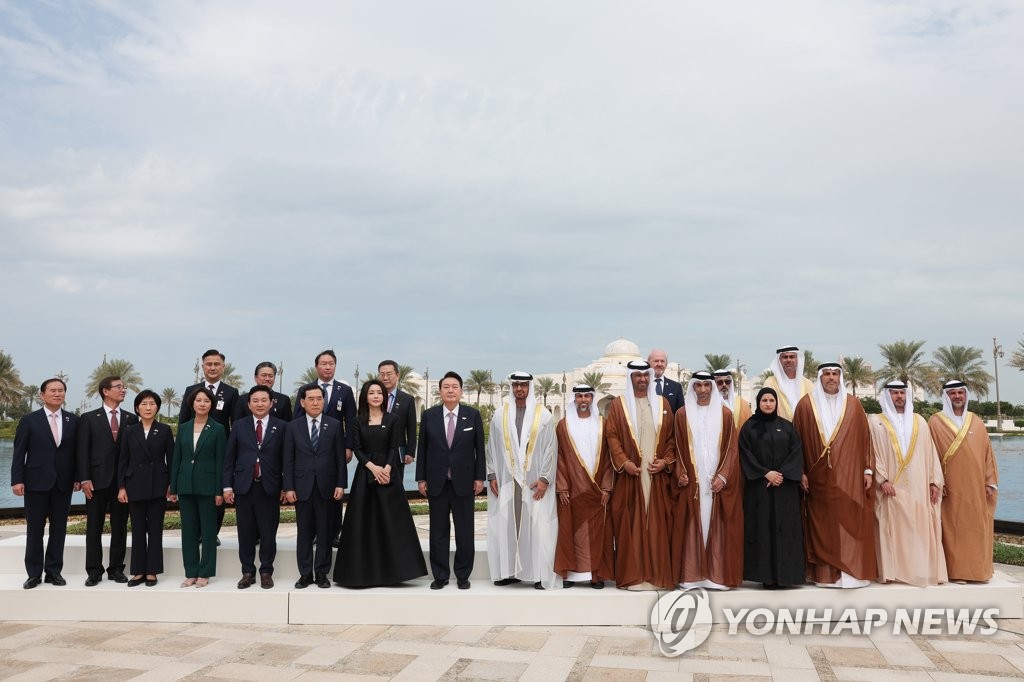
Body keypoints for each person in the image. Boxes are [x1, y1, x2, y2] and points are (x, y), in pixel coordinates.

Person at [334, 380, 427, 587]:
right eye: (371, 393)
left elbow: (394, 446)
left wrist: (386, 468)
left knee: (392, 523)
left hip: (388, 475)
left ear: (384, 397)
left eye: (379, 393)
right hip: (365, 476)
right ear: (365, 397)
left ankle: (395, 573)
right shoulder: (357, 421)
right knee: (362, 523)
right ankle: (361, 573)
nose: (376, 396)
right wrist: (373, 467)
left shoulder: (393, 419)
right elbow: (357, 449)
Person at [792, 363, 877, 588]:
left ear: (841, 377)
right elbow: (796, 443)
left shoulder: (854, 405)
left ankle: (851, 573)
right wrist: (800, 472)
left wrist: (868, 470)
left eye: (835, 374)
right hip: (817, 478)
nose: (831, 378)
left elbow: (866, 439)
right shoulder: (805, 405)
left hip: (849, 476)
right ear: (820, 377)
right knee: (823, 524)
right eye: (827, 374)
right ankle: (825, 575)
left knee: (850, 521)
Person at [605, 360, 676, 590]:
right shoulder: (619, 405)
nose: (642, 380)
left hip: (656, 476)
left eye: (645, 376)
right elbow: (612, 436)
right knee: (631, 523)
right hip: (630, 476)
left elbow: (672, 439)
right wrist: (624, 462)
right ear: (631, 378)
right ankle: (634, 576)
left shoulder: (662, 403)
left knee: (657, 523)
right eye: (637, 376)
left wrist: (665, 461)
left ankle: (655, 575)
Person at [486, 372, 559, 590]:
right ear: (512, 387)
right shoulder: (500, 415)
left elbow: (551, 449)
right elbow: (491, 447)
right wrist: (491, 475)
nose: (519, 389)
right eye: (516, 385)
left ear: (529, 387)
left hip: (534, 482)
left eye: (523, 385)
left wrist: (545, 478)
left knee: (537, 526)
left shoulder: (543, 415)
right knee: (507, 524)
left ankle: (537, 573)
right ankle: (508, 572)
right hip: (507, 480)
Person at [869, 380, 946, 586]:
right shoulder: (876, 421)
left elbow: (931, 453)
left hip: (919, 486)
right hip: (890, 487)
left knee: (918, 527)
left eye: (902, 393)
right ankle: (892, 572)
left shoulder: (920, 421)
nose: (899, 397)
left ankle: (919, 571)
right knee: (890, 528)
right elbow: (871, 453)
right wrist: (881, 479)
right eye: (894, 393)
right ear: (887, 396)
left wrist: (934, 482)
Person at [416, 371, 485, 590]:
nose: (450, 390)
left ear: (461, 391)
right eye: (446, 387)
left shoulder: (472, 415)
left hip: (464, 483)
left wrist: (479, 477)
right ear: (440, 391)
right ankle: (440, 575)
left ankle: (463, 575)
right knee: (438, 531)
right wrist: (421, 478)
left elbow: (479, 450)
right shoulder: (429, 416)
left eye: (455, 387)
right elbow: (423, 449)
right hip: (437, 482)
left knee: (465, 531)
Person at [673, 371, 742, 590]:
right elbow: (676, 447)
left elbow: (732, 448)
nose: (703, 390)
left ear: (712, 388)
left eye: (706, 385)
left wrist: (723, 475)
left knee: (717, 523)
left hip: (716, 480)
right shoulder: (682, 414)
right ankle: (691, 576)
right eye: (698, 385)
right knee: (692, 524)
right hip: (693, 481)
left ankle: (716, 576)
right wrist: (680, 472)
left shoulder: (726, 414)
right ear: (692, 388)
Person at [10, 378, 80, 589]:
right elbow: (19, 452)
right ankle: (33, 573)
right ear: (42, 395)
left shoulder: (73, 420)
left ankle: (53, 572)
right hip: (35, 483)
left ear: (64, 394)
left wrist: (77, 477)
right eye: (52, 391)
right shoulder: (29, 420)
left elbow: (77, 454)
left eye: (60, 390)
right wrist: (17, 480)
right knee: (35, 530)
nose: (57, 394)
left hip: (63, 484)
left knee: (59, 530)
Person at [928, 380, 999, 582]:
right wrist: (936, 482)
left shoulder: (975, 421)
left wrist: (990, 482)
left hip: (977, 489)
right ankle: (955, 572)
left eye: (961, 392)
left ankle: (978, 571)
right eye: (953, 393)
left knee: (977, 529)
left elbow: (988, 454)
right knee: (952, 530)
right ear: (946, 397)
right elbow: (930, 455)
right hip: (950, 488)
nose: (957, 396)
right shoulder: (935, 422)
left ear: (966, 395)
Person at [738, 387, 805, 589]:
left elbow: (796, 452)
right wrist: (765, 473)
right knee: (762, 530)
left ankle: (787, 576)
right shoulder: (749, 427)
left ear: (776, 403)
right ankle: (766, 576)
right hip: (760, 489)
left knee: (786, 530)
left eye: (771, 400)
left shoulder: (786, 426)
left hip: (785, 489)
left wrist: (781, 474)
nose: (768, 404)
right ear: (758, 403)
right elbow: (745, 454)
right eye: (764, 400)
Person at [223, 385, 287, 589]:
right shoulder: (239, 426)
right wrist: (226, 487)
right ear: (249, 404)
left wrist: (286, 486)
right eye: (255, 401)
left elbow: (287, 460)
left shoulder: (282, 426)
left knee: (269, 532)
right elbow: (229, 459)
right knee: (246, 532)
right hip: (244, 487)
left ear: (271, 403)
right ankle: (247, 571)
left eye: (264, 400)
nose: (260, 404)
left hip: (270, 487)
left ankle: (266, 571)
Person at [283, 384, 347, 589]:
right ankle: (305, 574)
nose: (315, 402)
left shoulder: (335, 425)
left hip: (327, 487)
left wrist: (341, 484)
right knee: (304, 533)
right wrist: (289, 487)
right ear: (302, 402)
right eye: (310, 399)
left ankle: (321, 573)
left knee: (325, 532)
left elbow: (339, 458)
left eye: (319, 398)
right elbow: (288, 460)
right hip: (301, 487)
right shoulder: (293, 426)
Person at [76, 376, 138, 586]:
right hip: (95, 482)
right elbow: (82, 451)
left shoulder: (131, 419)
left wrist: (128, 482)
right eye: (119, 387)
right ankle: (94, 571)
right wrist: (84, 478)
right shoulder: (88, 418)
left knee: (119, 527)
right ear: (105, 391)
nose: (123, 390)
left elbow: (133, 453)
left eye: (124, 387)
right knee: (94, 527)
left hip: (121, 484)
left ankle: (116, 569)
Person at [295, 349, 356, 547]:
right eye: (324, 363)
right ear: (316, 367)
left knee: (333, 494)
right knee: (309, 494)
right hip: (308, 450)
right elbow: (296, 419)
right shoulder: (306, 389)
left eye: (331, 363)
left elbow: (351, 420)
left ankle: (334, 533)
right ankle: (312, 533)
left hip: (334, 450)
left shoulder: (344, 391)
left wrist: (349, 447)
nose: (328, 367)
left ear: (335, 366)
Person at [554, 385, 613, 589]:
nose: (583, 400)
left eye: (587, 396)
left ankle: (596, 575)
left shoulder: (602, 424)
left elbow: (607, 459)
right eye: (579, 396)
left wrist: (606, 487)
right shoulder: (564, 425)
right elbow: (559, 457)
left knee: (598, 534)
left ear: (592, 398)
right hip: (572, 489)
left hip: (596, 490)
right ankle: (571, 574)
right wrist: (562, 487)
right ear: (574, 399)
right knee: (571, 531)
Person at [179, 348, 238, 544]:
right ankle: (195, 532)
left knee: (218, 491)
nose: (212, 368)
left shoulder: (231, 392)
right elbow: (183, 423)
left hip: (220, 451)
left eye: (216, 364)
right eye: (209, 364)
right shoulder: (191, 390)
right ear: (202, 366)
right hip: (195, 451)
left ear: (223, 367)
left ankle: (212, 532)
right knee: (195, 492)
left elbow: (235, 424)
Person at [170, 386, 227, 588]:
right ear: (192, 403)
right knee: (189, 531)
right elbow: (177, 458)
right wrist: (173, 486)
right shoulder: (184, 427)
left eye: (206, 401)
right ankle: (191, 572)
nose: (202, 404)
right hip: (186, 485)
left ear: (211, 405)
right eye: (198, 401)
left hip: (208, 487)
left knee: (209, 532)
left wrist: (220, 490)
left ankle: (205, 572)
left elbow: (221, 462)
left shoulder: (218, 429)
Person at [117, 390, 174, 587]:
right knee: (138, 529)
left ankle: (152, 571)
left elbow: (172, 460)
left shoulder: (165, 430)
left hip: (158, 485)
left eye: (152, 404)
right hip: (134, 485)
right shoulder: (129, 431)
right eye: (144, 404)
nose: (148, 408)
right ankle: (138, 571)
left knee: (155, 529)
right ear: (137, 408)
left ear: (157, 407)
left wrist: (171, 486)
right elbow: (123, 460)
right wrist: (121, 486)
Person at [378, 360, 418, 474]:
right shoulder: (372, 397)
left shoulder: (407, 399)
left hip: (397, 452)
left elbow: (411, 427)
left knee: (396, 485)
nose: (385, 378)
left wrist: (410, 452)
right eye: (382, 374)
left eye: (389, 374)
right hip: (374, 451)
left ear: (397, 375)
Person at [762, 346, 814, 421]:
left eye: (792, 357)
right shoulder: (770, 383)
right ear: (779, 360)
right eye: (785, 357)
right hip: (778, 429)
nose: (788, 360)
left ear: (797, 360)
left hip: (803, 429)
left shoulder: (808, 384)